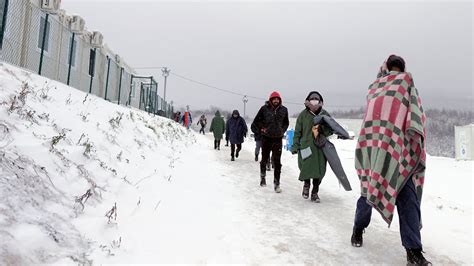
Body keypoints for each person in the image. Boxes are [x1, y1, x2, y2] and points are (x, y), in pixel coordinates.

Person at [351, 55, 431, 265]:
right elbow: (372, 119)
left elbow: (416, 116)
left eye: (398, 69)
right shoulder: (375, 89)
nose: (396, 73)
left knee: (408, 203)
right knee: (367, 196)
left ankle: (413, 251)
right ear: (386, 70)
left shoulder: (407, 87)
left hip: (400, 154)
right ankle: (358, 228)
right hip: (377, 151)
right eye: (392, 69)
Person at [291, 91, 333, 202]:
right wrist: (295, 146)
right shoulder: (303, 115)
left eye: (316, 98)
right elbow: (297, 132)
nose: (314, 100)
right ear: (308, 101)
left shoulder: (324, 114)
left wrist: (321, 129)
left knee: (319, 171)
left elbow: (331, 129)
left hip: (320, 147)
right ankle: (306, 185)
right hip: (306, 146)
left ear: (320, 101)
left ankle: (315, 192)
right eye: (312, 98)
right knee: (306, 168)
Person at [251, 91, 289, 193]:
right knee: (264, 159)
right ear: (271, 100)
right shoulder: (264, 109)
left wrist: (282, 130)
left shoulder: (284, 110)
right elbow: (256, 122)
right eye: (274, 99)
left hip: (278, 139)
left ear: (280, 100)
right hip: (266, 138)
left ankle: (277, 184)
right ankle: (262, 177)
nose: (276, 100)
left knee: (277, 162)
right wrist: (262, 129)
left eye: (278, 99)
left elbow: (286, 123)